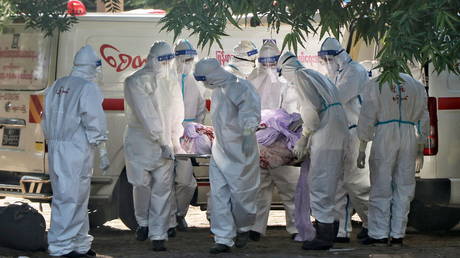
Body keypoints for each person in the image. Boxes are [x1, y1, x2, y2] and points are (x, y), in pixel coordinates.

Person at [277, 52, 349, 250]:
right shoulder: (315, 74)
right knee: (332, 184)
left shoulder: (300, 76)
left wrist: (303, 138)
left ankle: (324, 237)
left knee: (319, 184)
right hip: (338, 131)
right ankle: (331, 232)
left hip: (326, 136)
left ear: (285, 69)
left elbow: (311, 110)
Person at [42, 45, 109, 258]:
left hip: (57, 146)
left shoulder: (57, 84)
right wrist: (102, 146)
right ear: (91, 67)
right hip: (76, 147)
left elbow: (45, 115)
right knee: (70, 197)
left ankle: (79, 244)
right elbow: (95, 120)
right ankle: (61, 247)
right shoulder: (87, 88)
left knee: (74, 196)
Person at [193, 58, 261, 254]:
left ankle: (243, 228)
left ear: (213, 76)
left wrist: (248, 132)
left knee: (242, 197)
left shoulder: (240, 87)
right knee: (218, 195)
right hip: (220, 150)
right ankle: (223, 238)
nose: (204, 84)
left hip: (241, 152)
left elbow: (250, 112)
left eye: (204, 79)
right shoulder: (217, 90)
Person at [123, 41, 185, 252]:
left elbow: (178, 111)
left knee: (163, 189)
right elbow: (146, 114)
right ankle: (143, 223)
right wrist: (162, 140)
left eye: (170, 59)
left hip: (165, 145)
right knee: (141, 185)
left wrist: (175, 140)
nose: (167, 64)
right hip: (141, 144)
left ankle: (158, 234)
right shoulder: (135, 82)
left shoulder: (171, 81)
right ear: (151, 58)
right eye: (163, 59)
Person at [357, 73, 429, 246]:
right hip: (408, 134)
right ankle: (397, 235)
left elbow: (367, 115)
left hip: (384, 134)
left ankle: (379, 234)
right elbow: (423, 116)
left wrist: (362, 146)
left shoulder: (375, 83)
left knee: (381, 185)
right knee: (404, 186)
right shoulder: (416, 85)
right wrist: (420, 146)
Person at [318, 37, 371, 242]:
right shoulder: (335, 73)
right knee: (339, 183)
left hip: (355, 132)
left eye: (329, 58)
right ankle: (341, 229)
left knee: (356, 183)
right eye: (324, 59)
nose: (326, 62)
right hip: (339, 133)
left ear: (339, 55)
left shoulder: (355, 72)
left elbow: (336, 99)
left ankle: (372, 223)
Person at [246, 41, 300, 240]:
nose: (268, 68)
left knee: (289, 187)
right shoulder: (252, 81)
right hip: (258, 141)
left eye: (271, 63)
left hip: (281, 141)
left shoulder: (287, 83)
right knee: (259, 187)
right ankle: (256, 228)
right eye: (264, 63)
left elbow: (293, 113)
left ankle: (296, 228)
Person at [168, 39, 205, 233]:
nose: (187, 63)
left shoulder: (195, 82)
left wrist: (195, 131)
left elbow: (200, 111)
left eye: (191, 59)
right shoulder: (165, 79)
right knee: (163, 180)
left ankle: (178, 214)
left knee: (185, 181)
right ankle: (165, 220)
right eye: (184, 59)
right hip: (166, 136)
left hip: (186, 138)